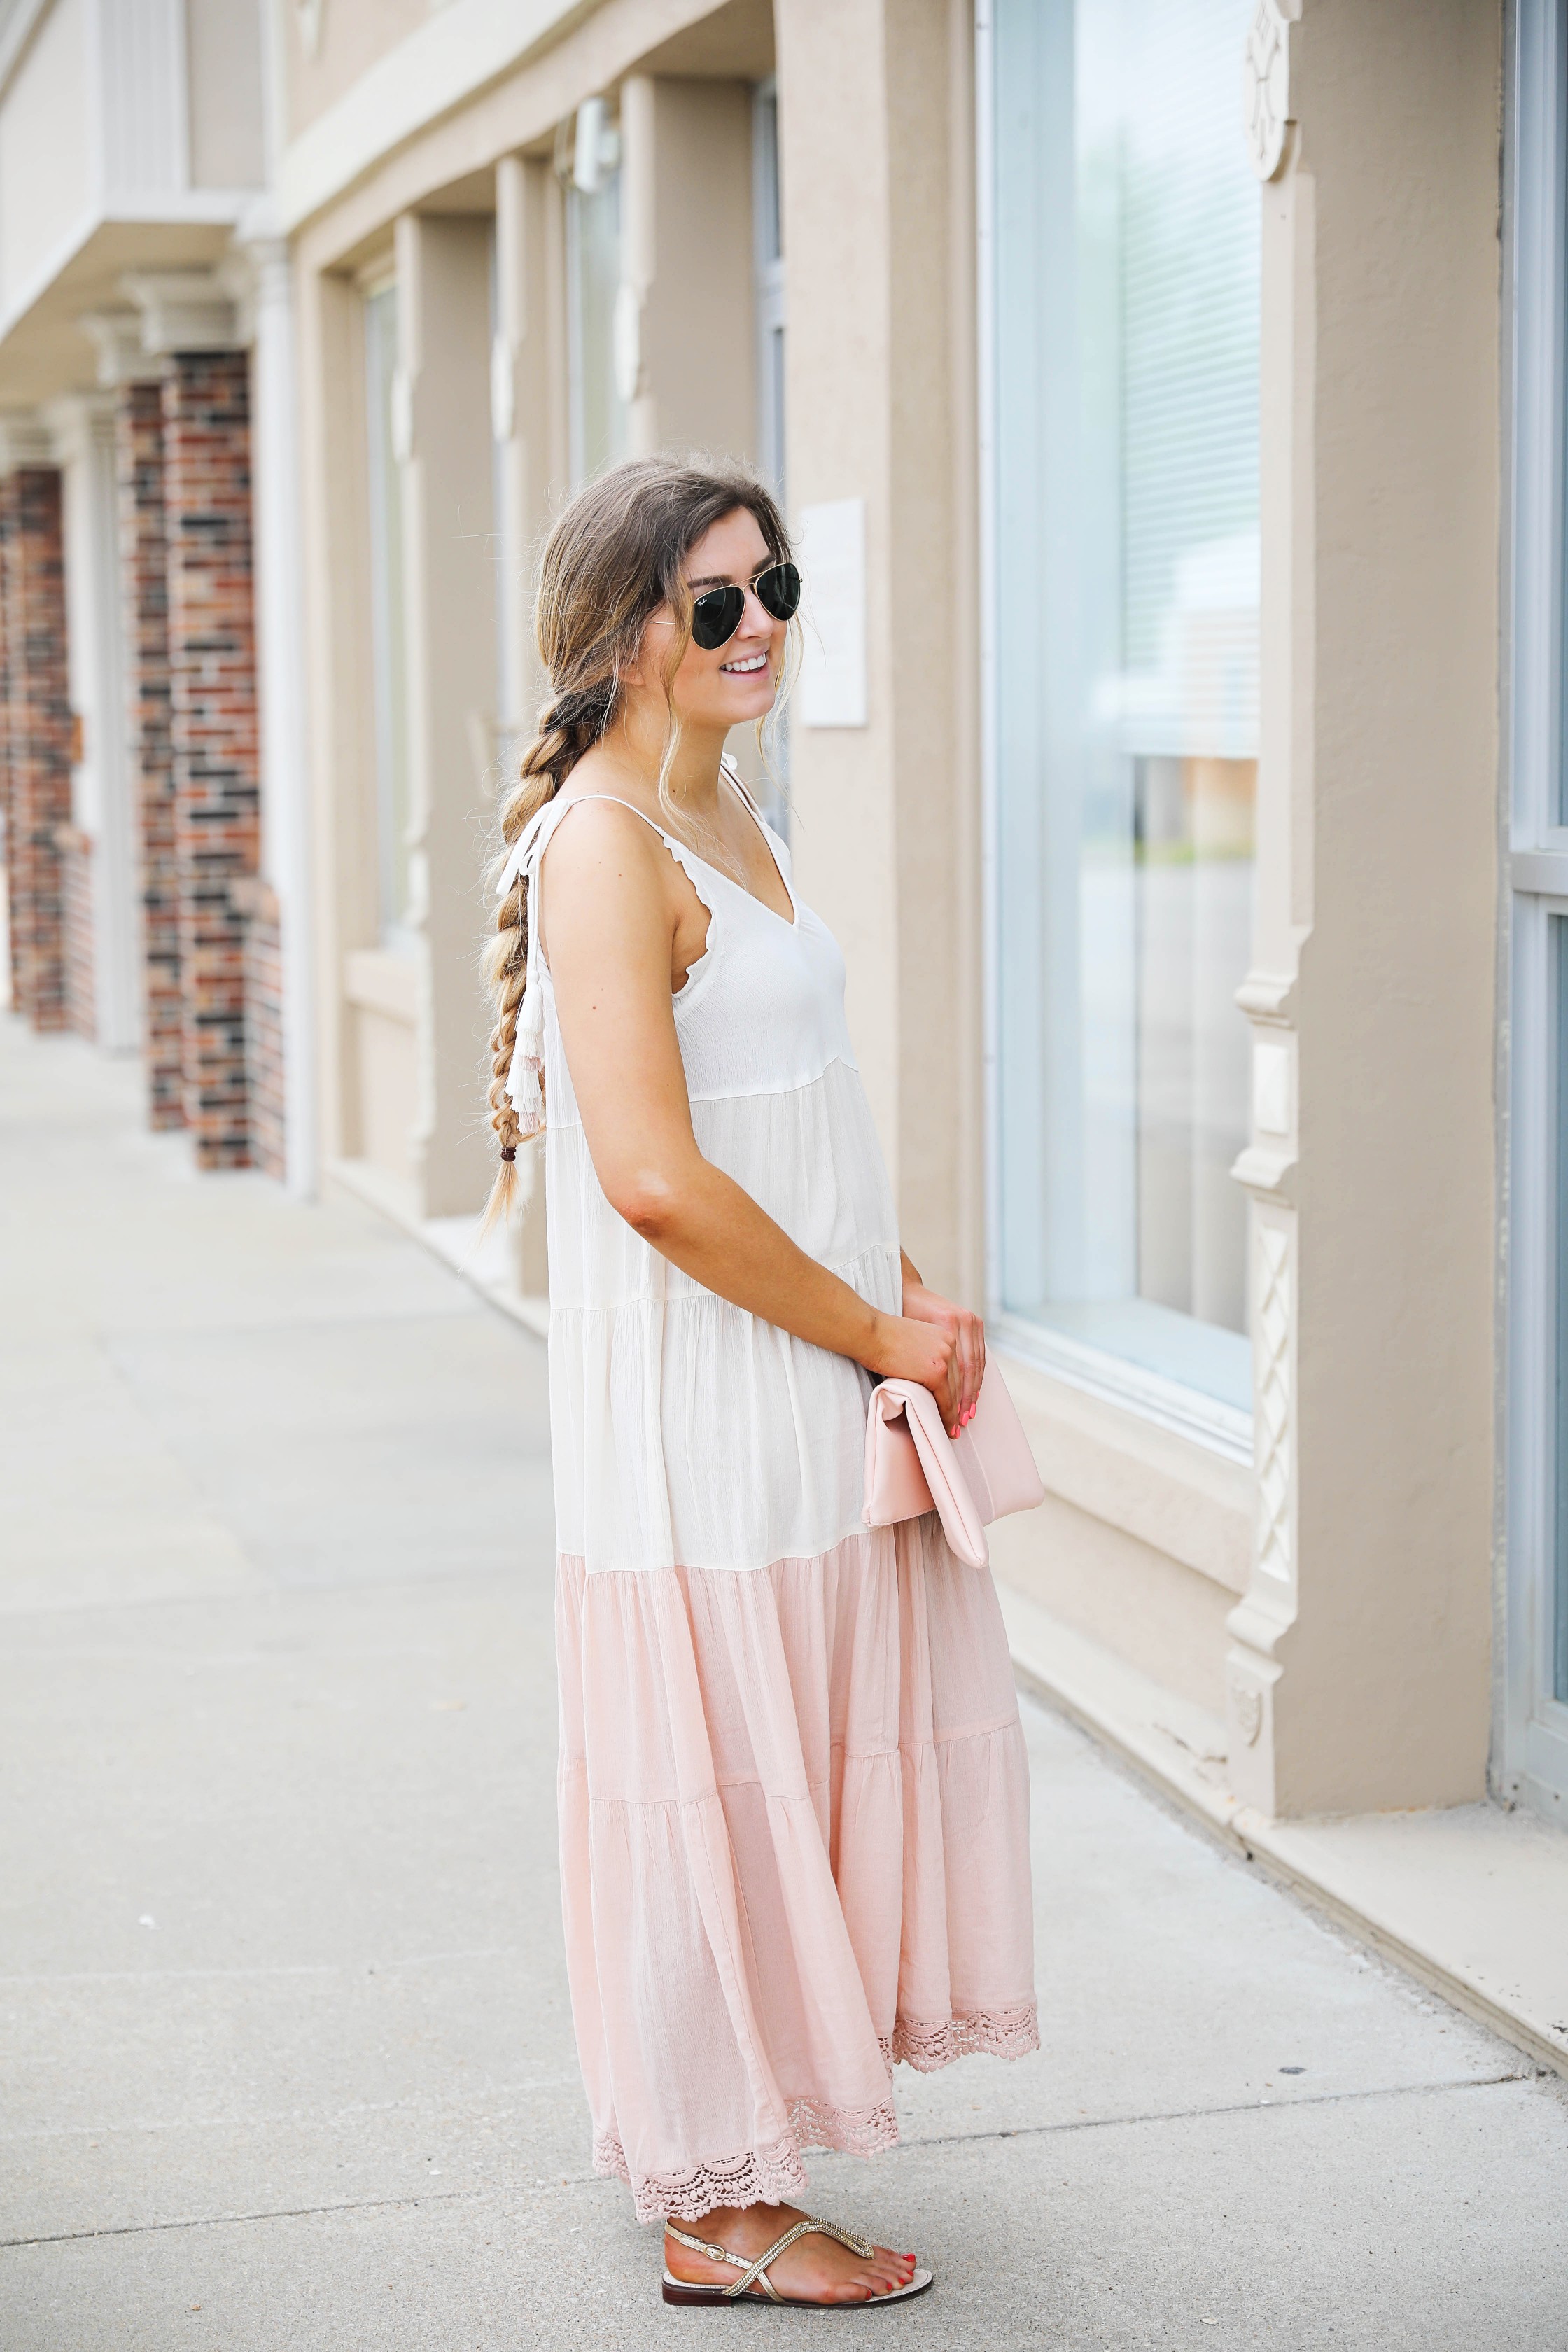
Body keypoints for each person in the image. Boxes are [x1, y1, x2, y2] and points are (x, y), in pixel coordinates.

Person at [482, 456, 1037, 2310]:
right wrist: (874, 1331)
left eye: (772, 587)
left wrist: (904, 1293)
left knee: (785, 1764)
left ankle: (754, 2149)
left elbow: (800, 1126)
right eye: (713, 602)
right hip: (703, 1417)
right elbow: (651, 1178)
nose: (760, 629)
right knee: (712, 1771)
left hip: (802, 1386)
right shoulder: (603, 846)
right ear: (623, 631)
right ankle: (717, 2208)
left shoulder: (740, 820)